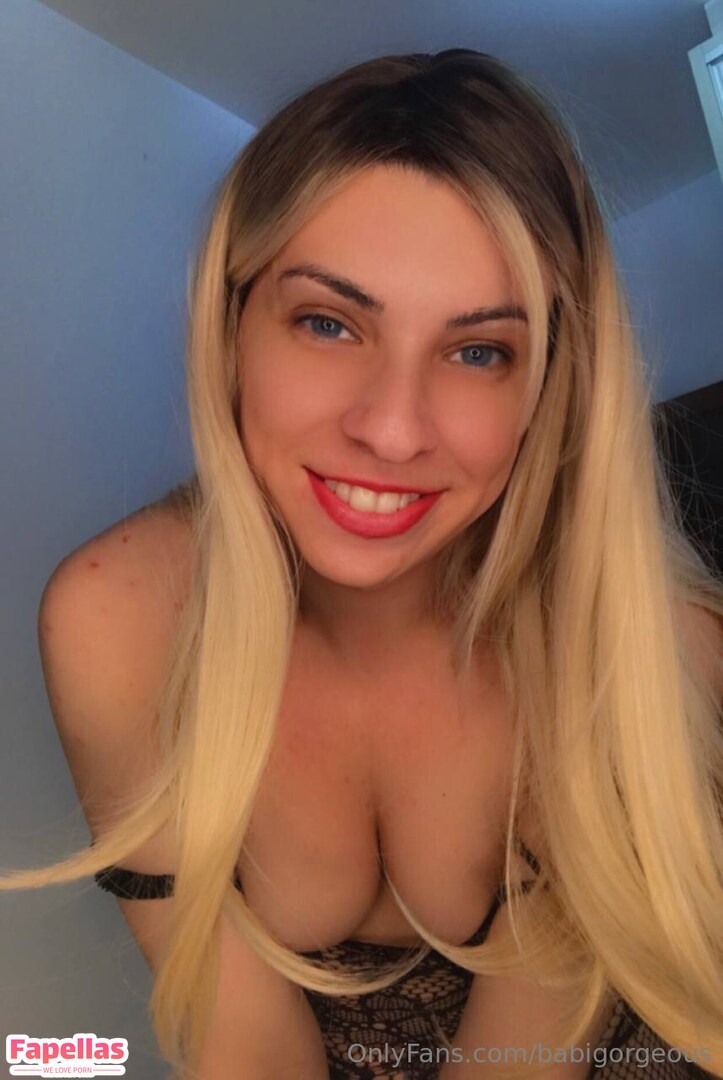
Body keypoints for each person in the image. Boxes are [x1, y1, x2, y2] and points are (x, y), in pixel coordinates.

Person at [2, 48, 722, 1080]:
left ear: (549, 386)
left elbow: (526, 1047)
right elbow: (238, 1034)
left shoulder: (641, 640)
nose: (391, 429)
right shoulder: (119, 620)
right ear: (231, 328)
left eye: (479, 350)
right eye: (328, 322)